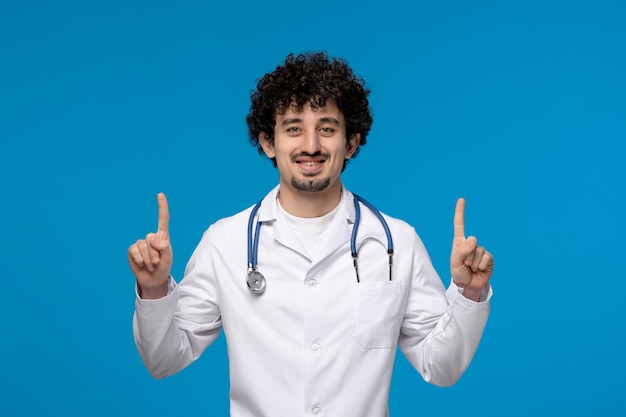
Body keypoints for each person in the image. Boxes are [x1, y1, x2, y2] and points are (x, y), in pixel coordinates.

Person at [129, 52, 494, 417]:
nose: (311, 145)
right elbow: (164, 360)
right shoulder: (225, 242)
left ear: (350, 143)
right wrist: (155, 289)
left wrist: (470, 293)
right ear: (268, 143)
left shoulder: (396, 242)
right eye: (292, 128)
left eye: (327, 128)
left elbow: (441, 367)